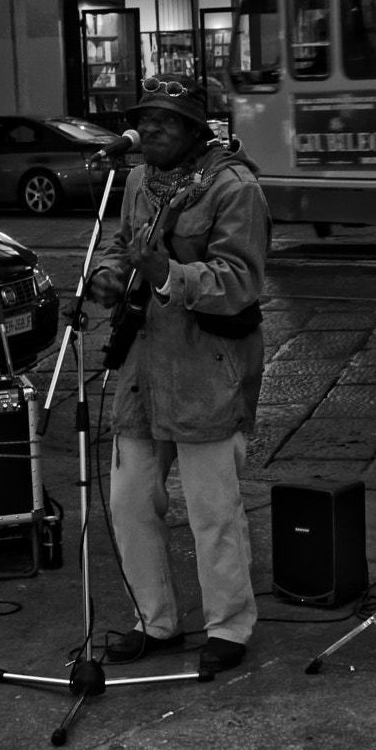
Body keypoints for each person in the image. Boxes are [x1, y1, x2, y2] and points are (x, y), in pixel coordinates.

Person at [88, 79, 270, 679]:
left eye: (169, 120)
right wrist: (112, 274)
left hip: (206, 364)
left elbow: (240, 281)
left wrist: (167, 271)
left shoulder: (234, 187)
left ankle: (229, 624)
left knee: (212, 508)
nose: (154, 130)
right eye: (147, 119)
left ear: (197, 130)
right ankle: (155, 620)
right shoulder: (138, 180)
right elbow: (121, 245)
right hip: (144, 364)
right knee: (130, 499)